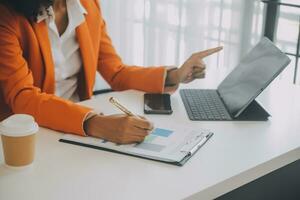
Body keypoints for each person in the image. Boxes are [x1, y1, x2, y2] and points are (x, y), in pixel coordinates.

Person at [0, 0, 222, 144]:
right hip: (26, 135)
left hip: (78, 130)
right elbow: (23, 97)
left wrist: (175, 75)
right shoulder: (7, 16)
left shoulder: (88, 6)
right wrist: (95, 123)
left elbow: (116, 72)